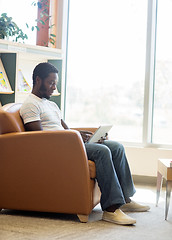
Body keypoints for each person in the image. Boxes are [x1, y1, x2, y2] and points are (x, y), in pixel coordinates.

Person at [20, 62, 150, 225]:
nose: (54, 87)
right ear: (38, 80)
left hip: (67, 143)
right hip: (57, 148)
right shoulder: (30, 105)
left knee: (116, 147)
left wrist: (82, 136)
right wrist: (73, 137)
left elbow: (64, 128)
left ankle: (126, 199)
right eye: (51, 83)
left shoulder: (51, 104)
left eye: (56, 83)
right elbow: (39, 139)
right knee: (102, 152)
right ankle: (110, 210)